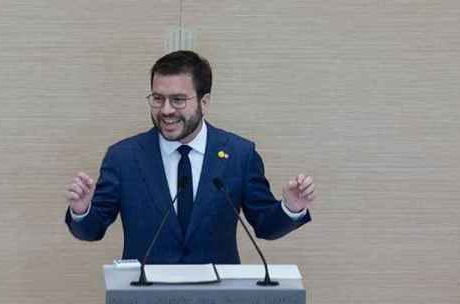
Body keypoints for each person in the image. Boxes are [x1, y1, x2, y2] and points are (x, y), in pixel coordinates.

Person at [64, 50, 314, 264]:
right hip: (146, 295)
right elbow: (92, 230)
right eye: (158, 98)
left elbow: (265, 226)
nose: (166, 110)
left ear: (204, 102)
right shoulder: (124, 157)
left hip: (218, 295)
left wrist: (290, 207)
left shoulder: (239, 154)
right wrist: (82, 209)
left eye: (178, 100)